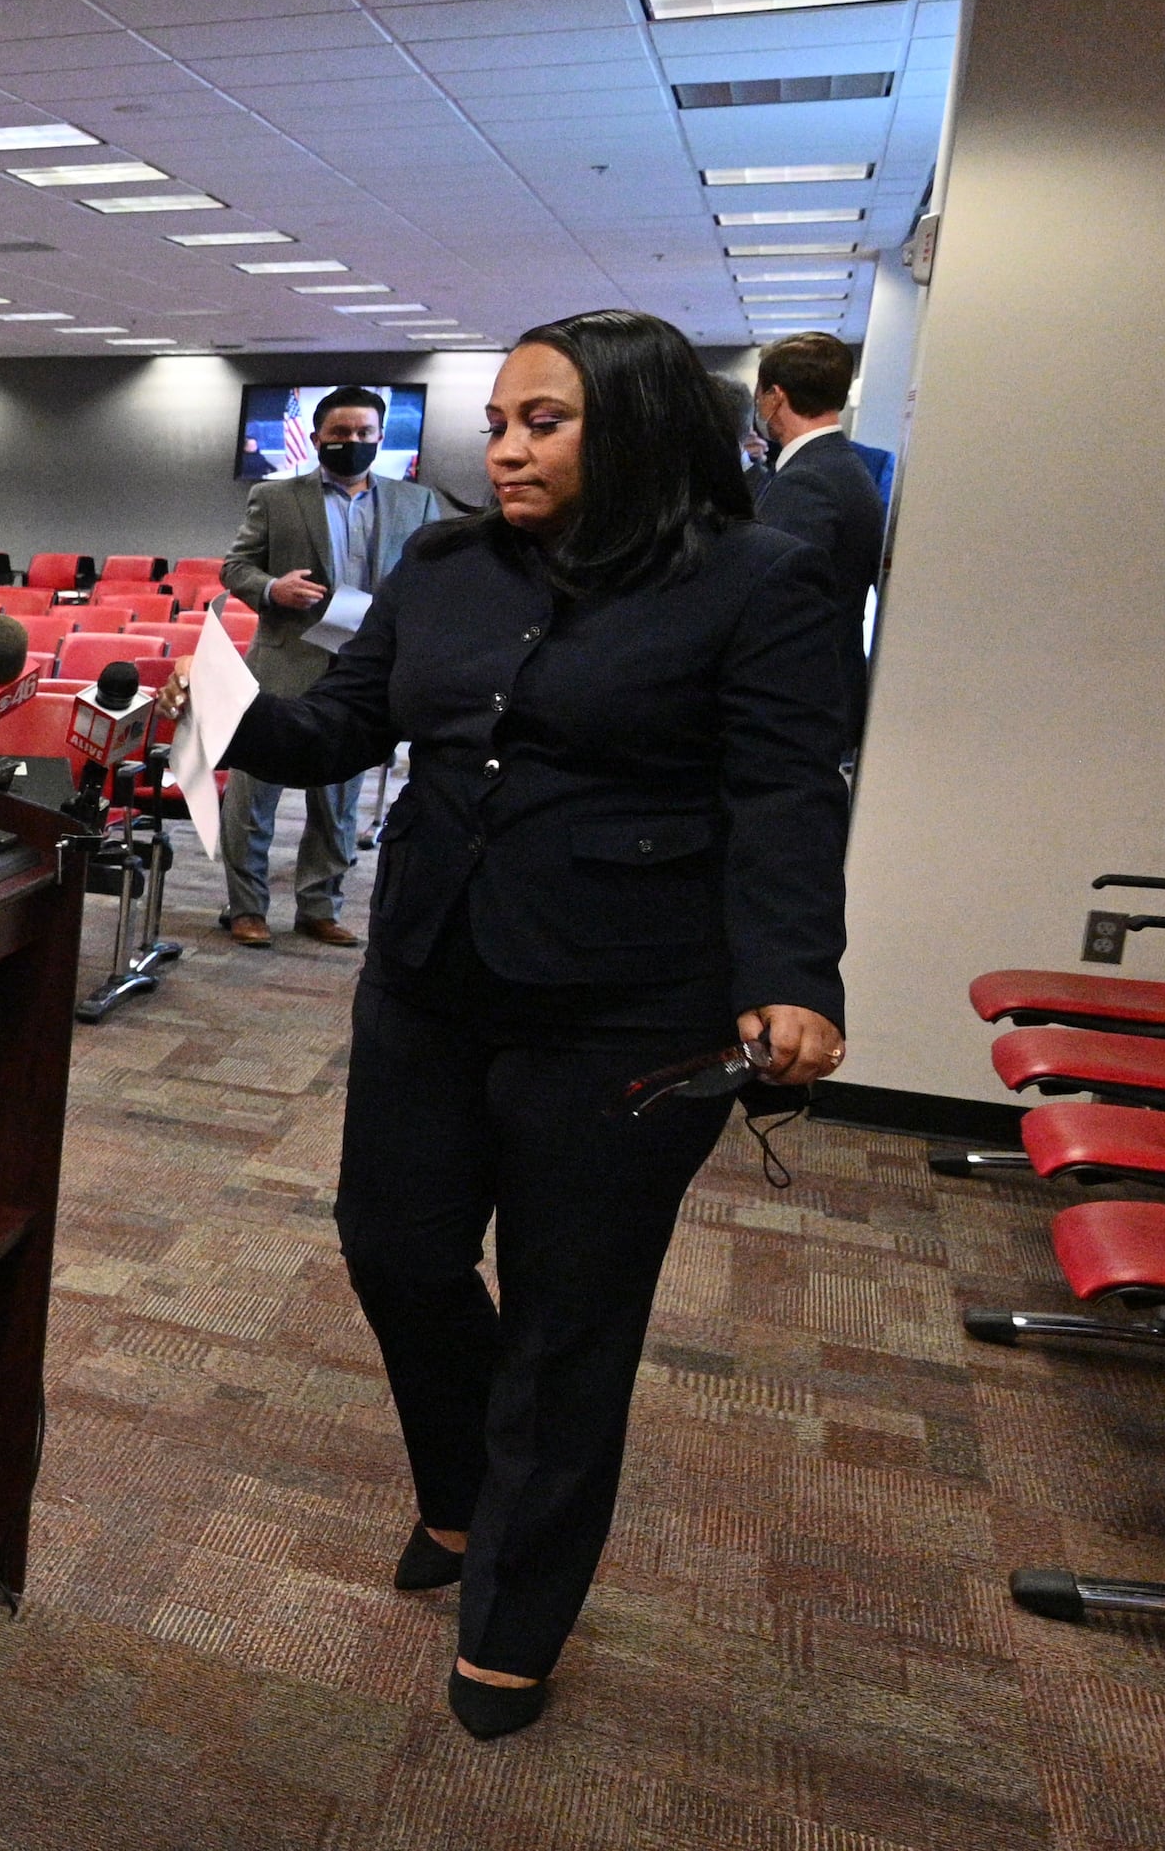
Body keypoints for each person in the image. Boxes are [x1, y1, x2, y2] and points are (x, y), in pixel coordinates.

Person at [210, 309, 850, 1740]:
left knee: (570, 1323)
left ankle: (514, 1608)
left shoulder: (759, 583)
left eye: (541, 422)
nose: (503, 447)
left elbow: (786, 794)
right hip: (432, 977)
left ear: (633, 426)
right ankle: (464, 1488)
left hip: (628, 1009)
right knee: (396, 1253)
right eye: (499, 421)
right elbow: (343, 732)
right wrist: (209, 714)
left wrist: (796, 971)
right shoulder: (446, 567)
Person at [216, 385, 448, 948]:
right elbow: (235, 567)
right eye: (341, 433)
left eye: (365, 434)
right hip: (285, 659)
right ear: (317, 437)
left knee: (340, 801)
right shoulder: (275, 497)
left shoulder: (414, 503)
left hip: (363, 669)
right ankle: (246, 907)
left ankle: (319, 906)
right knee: (253, 796)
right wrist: (273, 586)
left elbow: (434, 579)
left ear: (379, 437)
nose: (353, 442)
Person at [747, 331, 886, 752]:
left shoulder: (807, 479)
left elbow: (774, 599)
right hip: (827, 689)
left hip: (800, 699)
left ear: (774, 397)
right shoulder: (845, 466)